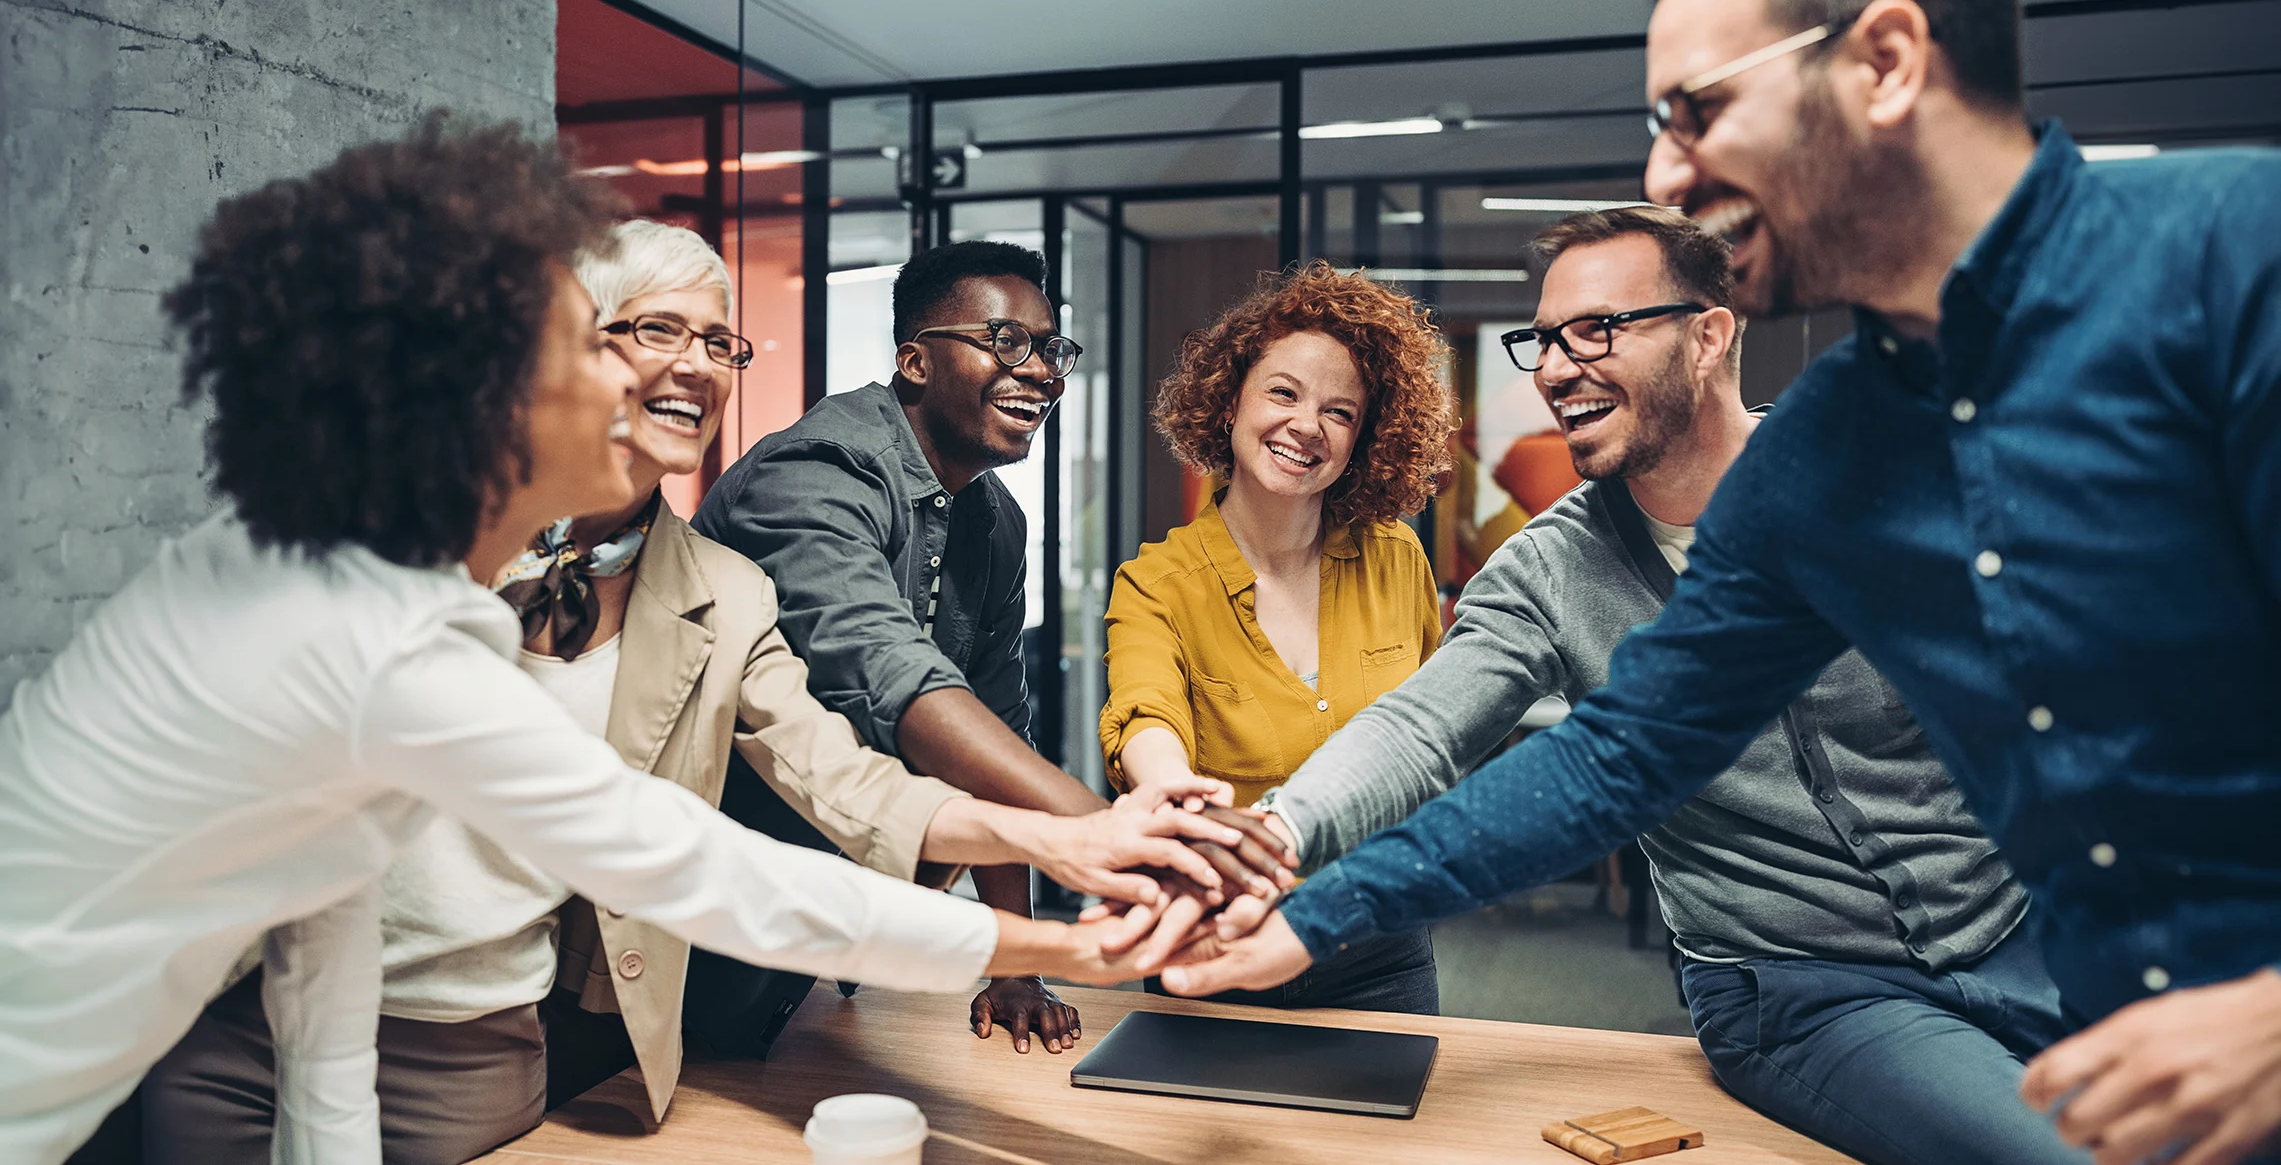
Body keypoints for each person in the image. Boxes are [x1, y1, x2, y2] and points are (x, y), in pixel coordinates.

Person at [1174, 0, 2281, 1163]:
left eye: (1696, 111)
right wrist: (1313, 904)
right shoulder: (1826, 455)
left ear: (1883, 62)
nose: (1666, 173)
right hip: (1896, 991)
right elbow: (1618, 754)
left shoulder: (2229, 259)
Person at [0, 121, 1178, 1165]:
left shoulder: (411, 595)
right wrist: (1058, 931)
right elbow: (697, 867)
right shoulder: (360, 623)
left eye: (716, 342)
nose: (658, 376)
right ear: (484, 390)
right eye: (599, 342)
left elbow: (324, 928)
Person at [1214, 208, 2077, 1164]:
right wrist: (1274, 837)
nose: (1552, 368)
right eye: (1541, 341)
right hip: (1812, 992)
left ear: (1708, 335)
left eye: (1595, 330)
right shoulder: (1543, 573)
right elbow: (1419, 732)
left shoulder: (1877, 471)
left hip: (2029, 924)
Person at [695, 241, 1291, 1054]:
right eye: (1006, 341)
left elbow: (998, 722)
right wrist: (1109, 828)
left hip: (818, 907)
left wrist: (1011, 958)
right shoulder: (815, 471)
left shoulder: (993, 519)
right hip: (694, 895)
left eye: (1051, 348)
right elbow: (891, 674)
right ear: (914, 360)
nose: (1042, 370)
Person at [1100, 263, 1453, 1014]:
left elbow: (1433, 731)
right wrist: (1168, 787)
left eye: (1339, 412)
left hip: (1379, 942)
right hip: (1214, 937)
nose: (1305, 426)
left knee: (1385, 1132)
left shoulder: (1397, 559)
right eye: (1283, 392)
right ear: (1230, 403)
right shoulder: (1157, 582)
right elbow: (1145, 711)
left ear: (1363, 438)